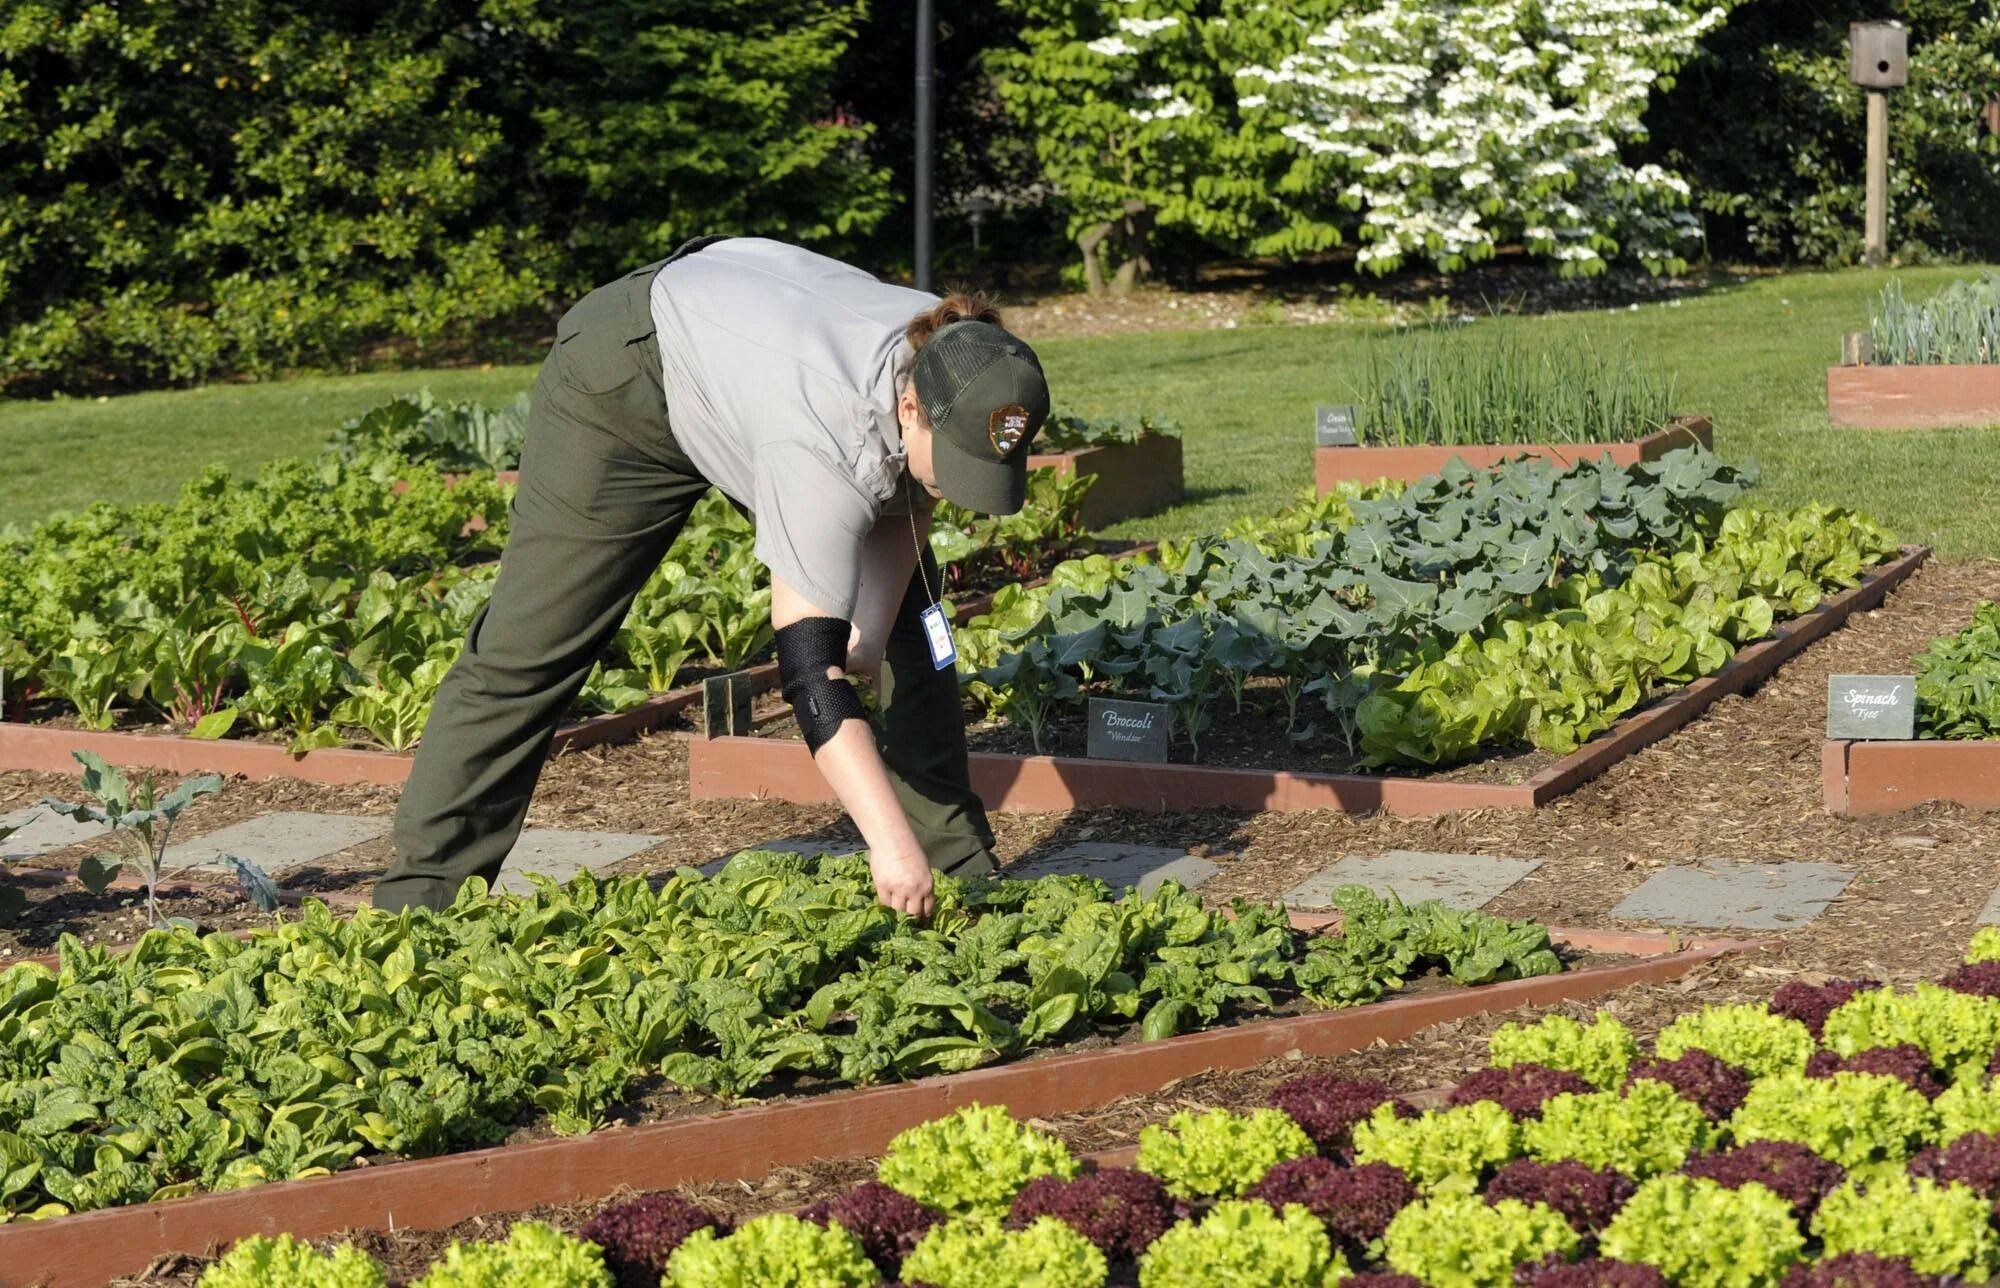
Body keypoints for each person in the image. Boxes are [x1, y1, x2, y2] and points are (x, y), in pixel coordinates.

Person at [370, 236, 1050, 917]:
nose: (963, 487)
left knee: (912, 625)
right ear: (909, 409)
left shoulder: (963, 358)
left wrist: (869, 633)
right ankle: (419, 904)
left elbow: (913, 501)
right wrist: (887, 844)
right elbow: (810, 674)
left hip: (747, 359)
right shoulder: (822, 441)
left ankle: (959, 867)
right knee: (535, 640)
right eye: (957, 463)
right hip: (631, 375)